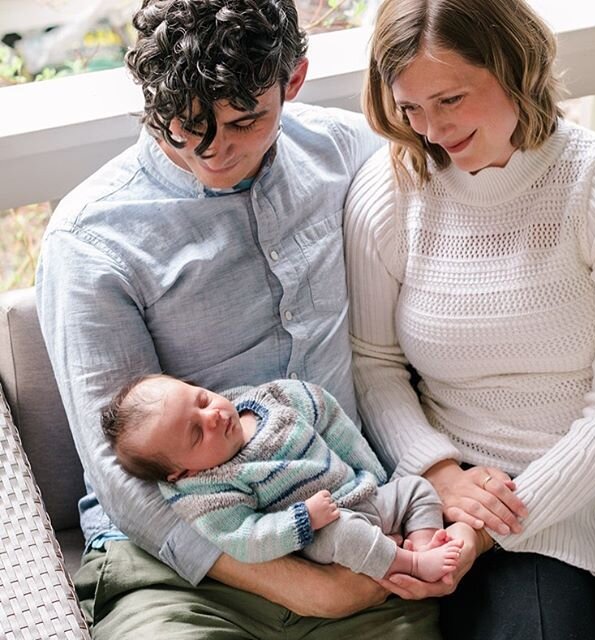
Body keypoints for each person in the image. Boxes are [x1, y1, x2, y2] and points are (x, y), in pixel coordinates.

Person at [35, 0, 443, 637]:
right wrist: (317, 592)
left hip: (354, 520)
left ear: (295, 81)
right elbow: (123, 479)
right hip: (180, 568)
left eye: (244, 121)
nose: (213, 151)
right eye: (182, 123)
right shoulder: (90, 240)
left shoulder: (345, 153)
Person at [345, 0, 595, 638]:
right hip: (479, 483)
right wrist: (440, 475)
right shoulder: (390, 190)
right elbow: (374, 363)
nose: (431, 130)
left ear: (514, 67)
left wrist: (481, 534)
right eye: (411, 107)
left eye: (450, 99)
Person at [102, 374, 465, 583]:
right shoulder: (206, 489)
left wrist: (371, 475)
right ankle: (411, 565)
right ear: (182, 471)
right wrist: (303, 518)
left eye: (201, 400)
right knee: (348, 535)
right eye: (196, 433)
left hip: (364, 493)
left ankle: (422, 542)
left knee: (418, 489)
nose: (212, 416)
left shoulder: (275, 399)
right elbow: (244, 538)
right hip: (324, 532)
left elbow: (333, 422)